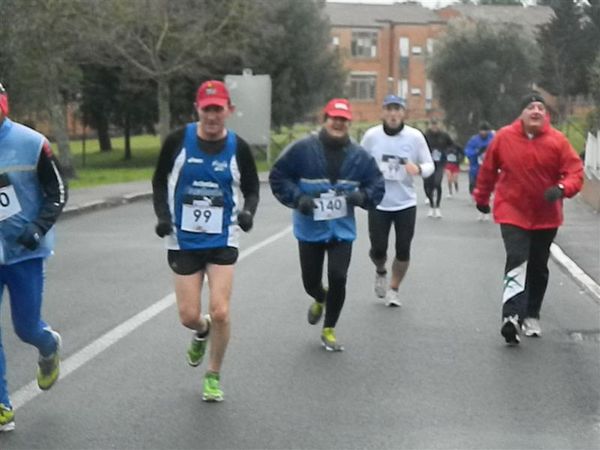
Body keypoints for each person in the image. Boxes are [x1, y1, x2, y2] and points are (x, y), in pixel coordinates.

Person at [152, 80, 259, 401]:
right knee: (187, 315)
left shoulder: (238, 147)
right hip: (182, 238)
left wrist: (248, 213)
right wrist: (162, 217)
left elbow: (252, 188)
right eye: (207, 109)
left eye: (218, 109)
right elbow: (159, 180)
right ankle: (201, 330)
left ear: (229, 111)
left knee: (222, 310)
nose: (213, 116)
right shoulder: (178, 142)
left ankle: (213, 374)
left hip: (222, 237)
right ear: (197, 109)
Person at [269, 98, 384, 351]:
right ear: (325, 119)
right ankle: (319, 297)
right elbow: (278, 176)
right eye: (334, 118)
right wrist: (298, 198)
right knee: (310, 281)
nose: (338, 123)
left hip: (341, 229)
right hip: (310, 228)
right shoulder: (302, 148)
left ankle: (329, 329)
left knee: (338, 277)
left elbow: (376, 183)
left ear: (349, 123)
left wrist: (363, 197)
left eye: (343, 120)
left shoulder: (359, 155)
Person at [473, 92, 583, 345]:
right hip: (512, 211)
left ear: (546, 115)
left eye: (541, 108)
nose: (536, 111)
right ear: (521, 113)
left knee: (537, 266)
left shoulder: (558, 141)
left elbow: (575, 172)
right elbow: (488, 170)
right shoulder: (504, 137)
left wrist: (563, 189)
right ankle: (510, 316)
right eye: (531, 107)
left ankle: (532, 313)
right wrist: (481, 198)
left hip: (546, 215)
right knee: (517, 258)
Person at [0, 83, 68, 432]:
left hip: (25, 252)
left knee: (25, 327)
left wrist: (38, 228)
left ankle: (48, 343)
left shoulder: (31, 143)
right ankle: (2, 404)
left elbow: (58, 191)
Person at [360, 95, 434, 306]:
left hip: (405, 202)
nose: (393, 114)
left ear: (403, 113)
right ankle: (380, 270)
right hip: (379, 202)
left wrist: (418, 169)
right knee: (378, 250)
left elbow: (430, 165)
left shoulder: (415, 137)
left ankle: (393, 289)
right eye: (389, 110)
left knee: (403, 249)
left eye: (397, 110)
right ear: (383, 112)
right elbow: (359, 160)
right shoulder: (372, 136)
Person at [424, 119, 454, 218]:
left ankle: (437, 207)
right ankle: (431, 205)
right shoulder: (426, 135)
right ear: (430, 126)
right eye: (432, 125)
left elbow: (451, 145)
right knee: (428, 186)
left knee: (437, 183)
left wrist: (446, 152)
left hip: (440, 164)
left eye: (436, 125)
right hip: (428, 163)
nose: (434, 127)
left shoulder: (444, 135)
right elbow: (420, 147)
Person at [464, 121, 494, 219]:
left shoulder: (493, 138)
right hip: (475, 167)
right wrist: (476, 151)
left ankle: (485, 211)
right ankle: (479, 206)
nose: (483, 133)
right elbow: (468, 151)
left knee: (487, 189)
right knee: (474, 185)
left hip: (489, 168)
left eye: (485, 131)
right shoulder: (474, 140)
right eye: (482, 131)